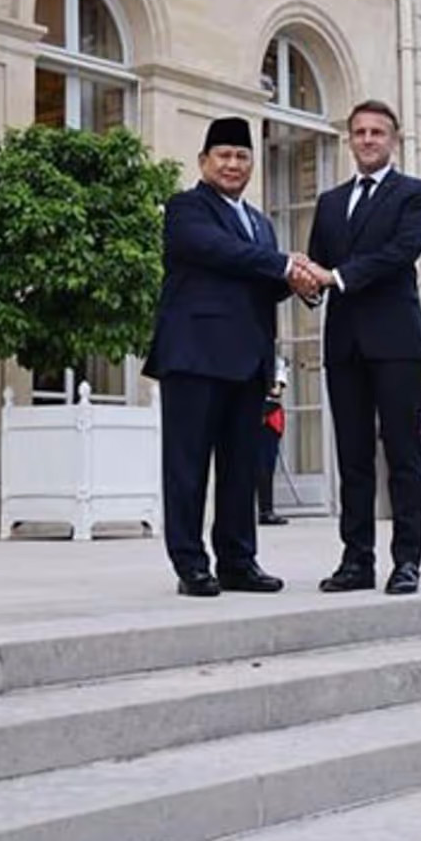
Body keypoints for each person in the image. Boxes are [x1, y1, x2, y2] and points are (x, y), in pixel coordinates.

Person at [144, 115, 297, 597]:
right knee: (188, 466)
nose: (233, 164)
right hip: (194, 355)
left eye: (242, 156)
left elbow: (264, 283)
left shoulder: (261, 224)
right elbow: (215, 251)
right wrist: (287, 265)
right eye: (224, 156)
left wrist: (300, 283)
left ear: (252, 163)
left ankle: (237, 560)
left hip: (248, 360)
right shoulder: (186, 208)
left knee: (241, 467)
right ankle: (190, 563)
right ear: (204, 162)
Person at [303, 100, 421, 596]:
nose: (368, 139)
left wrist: (335, 277)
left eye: (378, 132)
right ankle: (356, 559)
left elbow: (402, 253)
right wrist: (306, 282)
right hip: (344, 344)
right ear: (349, 139)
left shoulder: (415, 194)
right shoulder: (331, 202)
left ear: (394, 140)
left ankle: (407, 561)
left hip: (396, 340)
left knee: (403, 455)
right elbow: (319, 262)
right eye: (359, 132)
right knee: (352, 456)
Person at [257, 356, 290, 527]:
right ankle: (262, 510)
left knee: (266, 466)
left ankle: (265, 509)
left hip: (270, 415)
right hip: (258, 413)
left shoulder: (277, 362)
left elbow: (276, 390)